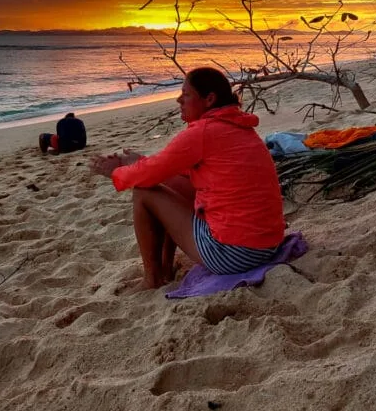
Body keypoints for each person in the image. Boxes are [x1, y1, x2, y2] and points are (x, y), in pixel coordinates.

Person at [89, 67, 285, 290]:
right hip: (267, 245)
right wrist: (136, 162)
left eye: (186, 94)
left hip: (234, 254)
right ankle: (164, 268)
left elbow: (150, 174)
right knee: (167, 183)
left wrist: (115, 171)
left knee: (144, 191)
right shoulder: (235, 125)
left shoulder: (203, 132)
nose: (179, 100)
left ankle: (152, 279)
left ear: (209, 99)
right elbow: (168, 171)